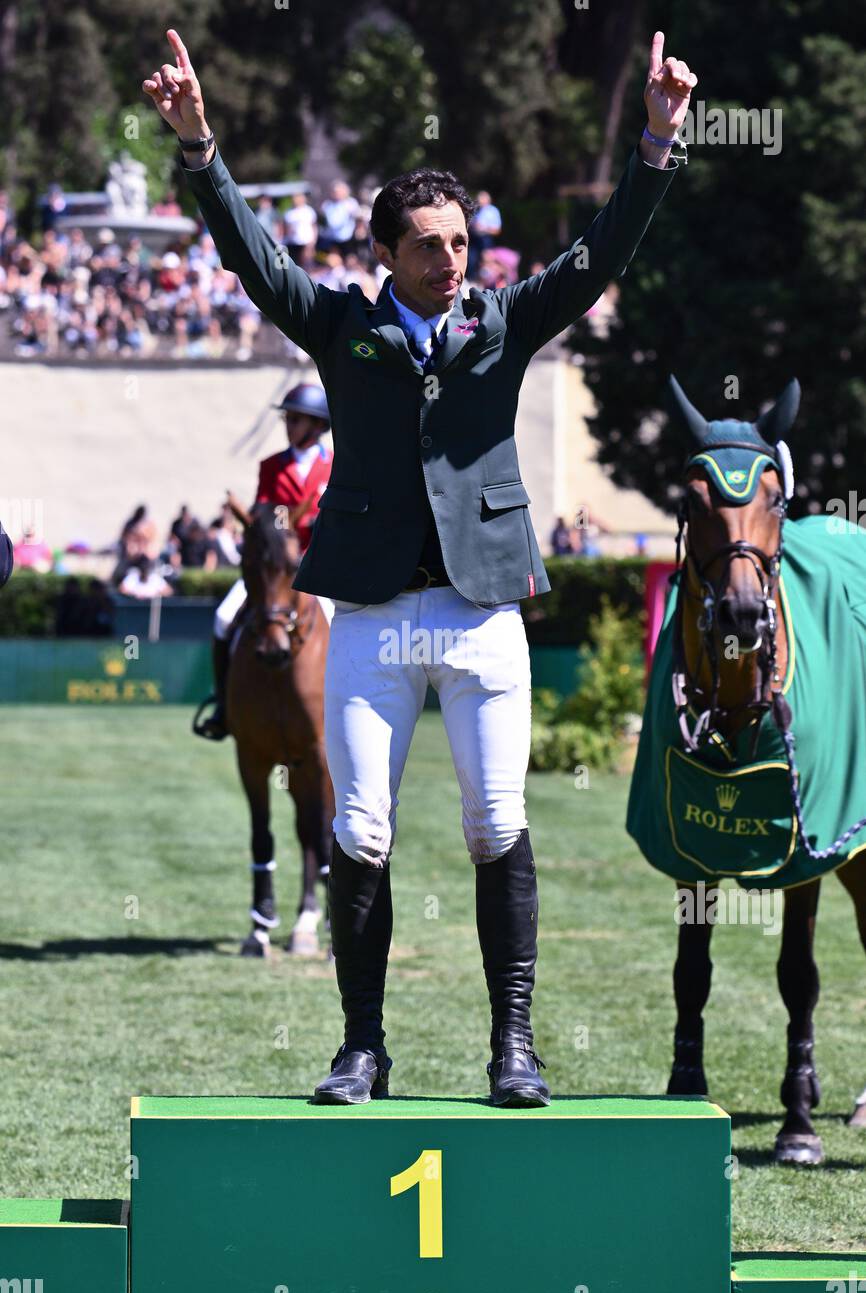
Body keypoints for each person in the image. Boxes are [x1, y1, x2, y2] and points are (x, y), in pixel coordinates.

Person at [145, 26, 696, 1105]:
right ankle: (361, 1046)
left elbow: (602, 253)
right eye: (430, 246)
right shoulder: (341, 328)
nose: (454, 259)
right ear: (384, 255)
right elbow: (257, 260)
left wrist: (654, 142)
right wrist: (200, 147)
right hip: (370, 617)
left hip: (481, 608)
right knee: (358, 828)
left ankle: (515, 1047)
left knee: (496, 823)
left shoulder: (505, 319)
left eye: (460, 241)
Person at [192, 381, 334, 742]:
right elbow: (265, 513)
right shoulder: (270, 466)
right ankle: (224, 705)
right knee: (224, 616)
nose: (289, 425)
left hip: (320, 567)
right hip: (275, 569)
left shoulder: (336, 465)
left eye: (298, 419)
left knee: (340, 623)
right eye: (288, 418)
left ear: (318, 425)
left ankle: (348, 705)